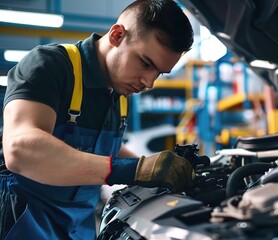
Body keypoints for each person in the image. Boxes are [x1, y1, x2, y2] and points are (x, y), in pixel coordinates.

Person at [0, 0, 194, 239]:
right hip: (23, 223)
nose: (148, 82)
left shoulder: (120, 94)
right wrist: (134, 169)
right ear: (117, 35)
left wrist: (157, 169)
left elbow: (98, 147)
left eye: (159, 73)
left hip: (79, 228)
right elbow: (20, 150)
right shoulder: (51, 65)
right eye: (145, 63)